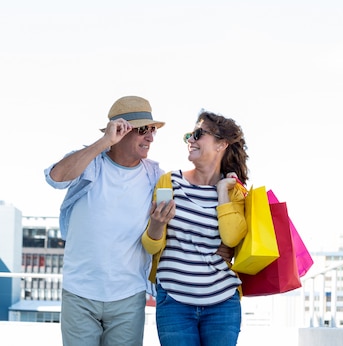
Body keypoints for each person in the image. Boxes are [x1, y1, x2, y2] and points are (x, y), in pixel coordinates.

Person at [44, 95, 168, 346]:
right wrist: (103, 143)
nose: (151, 137)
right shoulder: (89, 163)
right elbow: (55, 178)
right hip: (80, 294)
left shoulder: (154, 175)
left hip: (128, 296)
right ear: (120, 131)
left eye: (153, 130)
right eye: (144, 130)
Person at [141, 109, 250, 346]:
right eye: (189, 135)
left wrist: (222, 191)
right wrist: (157, 224)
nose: (191, 139)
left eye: (199, 134)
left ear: (221, 144)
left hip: (222, 304)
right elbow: (151, 246)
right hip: (174, 303)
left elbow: (231, 239)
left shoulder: (234, 191)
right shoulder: (170, 181)